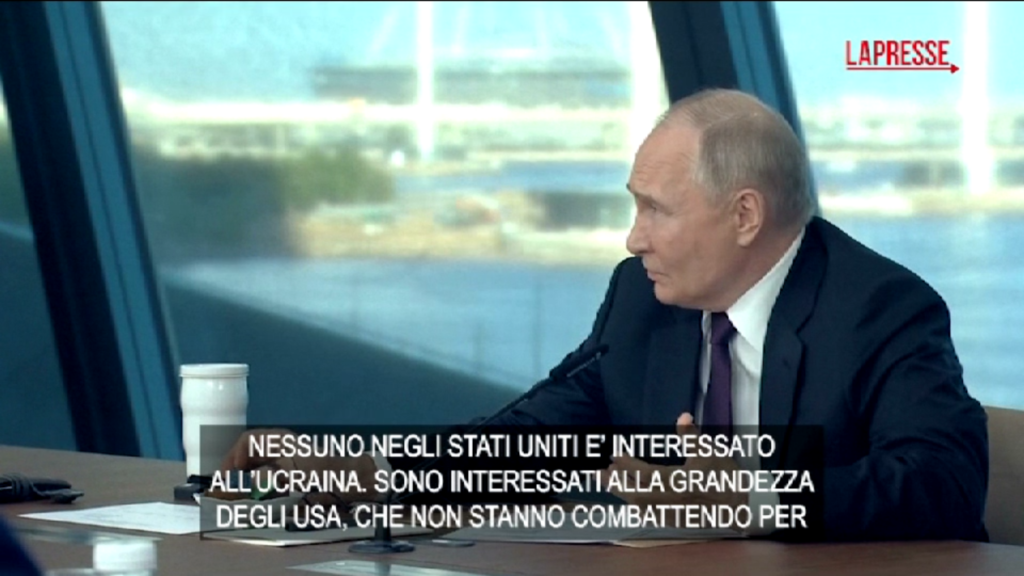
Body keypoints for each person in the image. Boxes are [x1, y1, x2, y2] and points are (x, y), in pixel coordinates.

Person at [223, 88, 988, 542]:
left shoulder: (881, 309)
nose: (633, 239)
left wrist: (753, 497)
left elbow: (942, 484)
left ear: (745, 215)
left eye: (655, 210)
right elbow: (539, 440)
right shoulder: (643, 300)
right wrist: (368, 472)